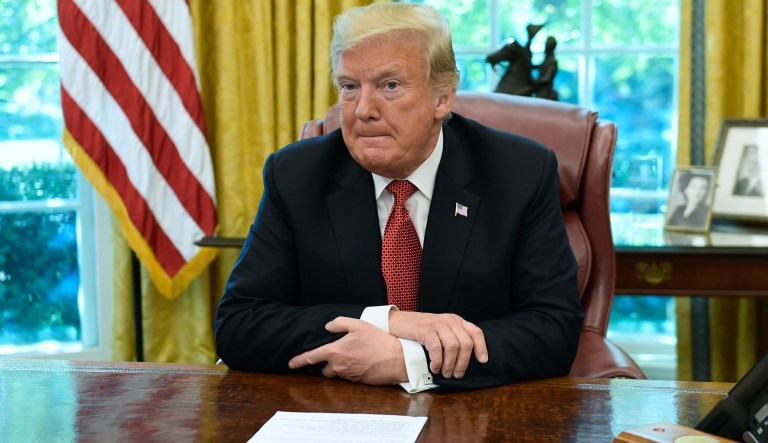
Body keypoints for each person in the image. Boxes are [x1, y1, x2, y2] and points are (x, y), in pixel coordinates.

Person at [214, 3, 583, 393]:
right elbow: (240, 324)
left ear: (442, 98)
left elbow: (552, 329)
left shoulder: (517, 172)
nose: (362, 110)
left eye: (390, 85)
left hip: (467, 416)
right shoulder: (297, 174)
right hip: (334, 412)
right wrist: (388, 321)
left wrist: (410, 361)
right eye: (349, 86)